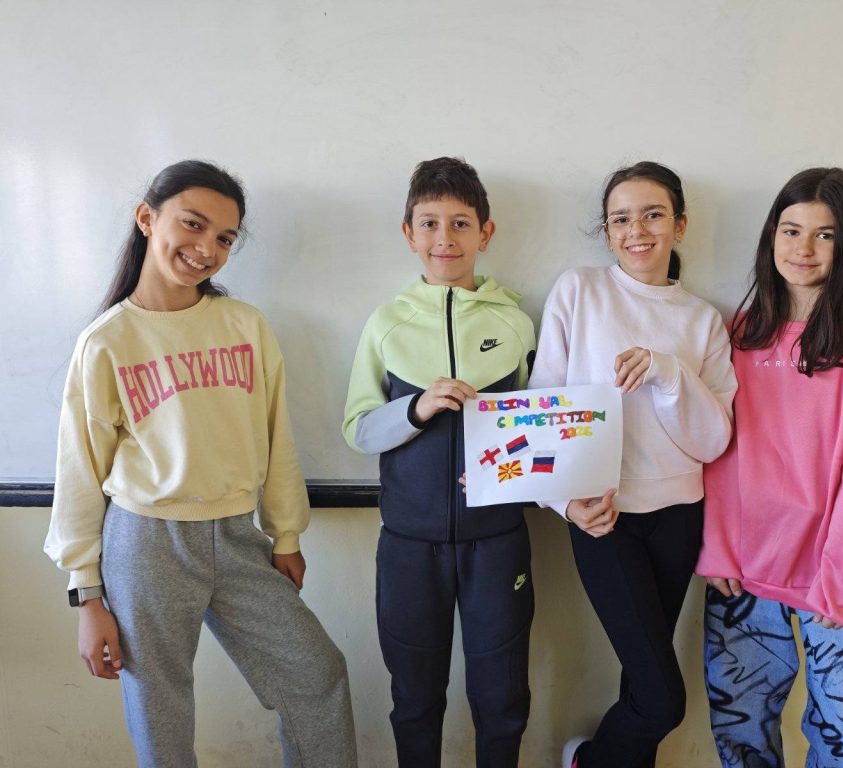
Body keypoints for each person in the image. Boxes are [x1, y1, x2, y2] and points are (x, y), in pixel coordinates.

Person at [43, 160, 357, 768]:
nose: (207, 248)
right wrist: (87, 595)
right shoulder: (107, 342)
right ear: (147, 219)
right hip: (146, 543)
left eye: (225, 238)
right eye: (193, 224)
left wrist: (286, 533)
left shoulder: (244, 325)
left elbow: (276, 437)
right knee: (161, 712)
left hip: (240, 535)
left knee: (316, 674)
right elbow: (79, 470)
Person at [697, 167, 843, 768]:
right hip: (745, 574)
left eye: (825, 234)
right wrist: (717, 549)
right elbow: (722, 450)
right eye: (791, 230)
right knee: (740, 736)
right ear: (772, 235)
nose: (803, 248)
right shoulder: (742, 331)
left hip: (839, 579)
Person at [529, 161, 737, 768]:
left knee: (640, 685)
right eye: (620, 219)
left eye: (652, 215)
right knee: (662, 699)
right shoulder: (579, 291)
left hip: (678, 519)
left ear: (680, 225)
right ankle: (588, 761)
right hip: (603, 517)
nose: (636, 230)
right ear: (606, 230)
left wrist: (670, 373)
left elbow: (713, 442)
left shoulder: (702, 320)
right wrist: (563, 502)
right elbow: (542, 408)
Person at [343, 157, 536, 768]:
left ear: (485, 232)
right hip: (409, 545)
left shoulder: (516, 323)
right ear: (409, 233)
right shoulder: (386, 324)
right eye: (429, 223)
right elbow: (357, 429)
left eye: (460, 223)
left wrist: (502, 466)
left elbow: (541, 431)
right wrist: (416, 408)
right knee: (415, 701)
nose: (444, 238)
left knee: (502, 699)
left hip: (497, 541)